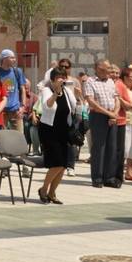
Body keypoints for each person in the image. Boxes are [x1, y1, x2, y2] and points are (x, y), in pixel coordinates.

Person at [36, 68, 76, 204]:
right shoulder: (46, 91)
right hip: (49, 131)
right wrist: (56, 93)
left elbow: (73, 107)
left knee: (63, 165)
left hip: (63, 131)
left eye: (63, 77)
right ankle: (44, 189)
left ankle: (52, 193)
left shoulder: (67, 91)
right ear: (52, 79)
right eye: (58, 77)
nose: (61, 79)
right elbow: (48, 106)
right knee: (57, 163)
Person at [84, 59, 121, 188]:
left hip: (112, 116)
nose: (110, 71)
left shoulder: (110, 81)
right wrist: (108, 113)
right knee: (99, 147)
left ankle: (109, 177)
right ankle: (97, 178)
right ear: (99, 68)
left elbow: (116, 98)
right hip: (98, 116)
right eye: (108, 68)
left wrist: (115, 113)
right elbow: (91, 101)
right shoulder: (90, 81)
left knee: (112, 146)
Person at [0, 50, 27, 131]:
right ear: (5, 59)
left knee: (19, 137)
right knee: (2, 137)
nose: (14, 59)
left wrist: (23, 106)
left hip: (15, 110)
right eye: (12, 58)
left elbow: (23, 89)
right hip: (2, 111)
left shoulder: (17, 71)